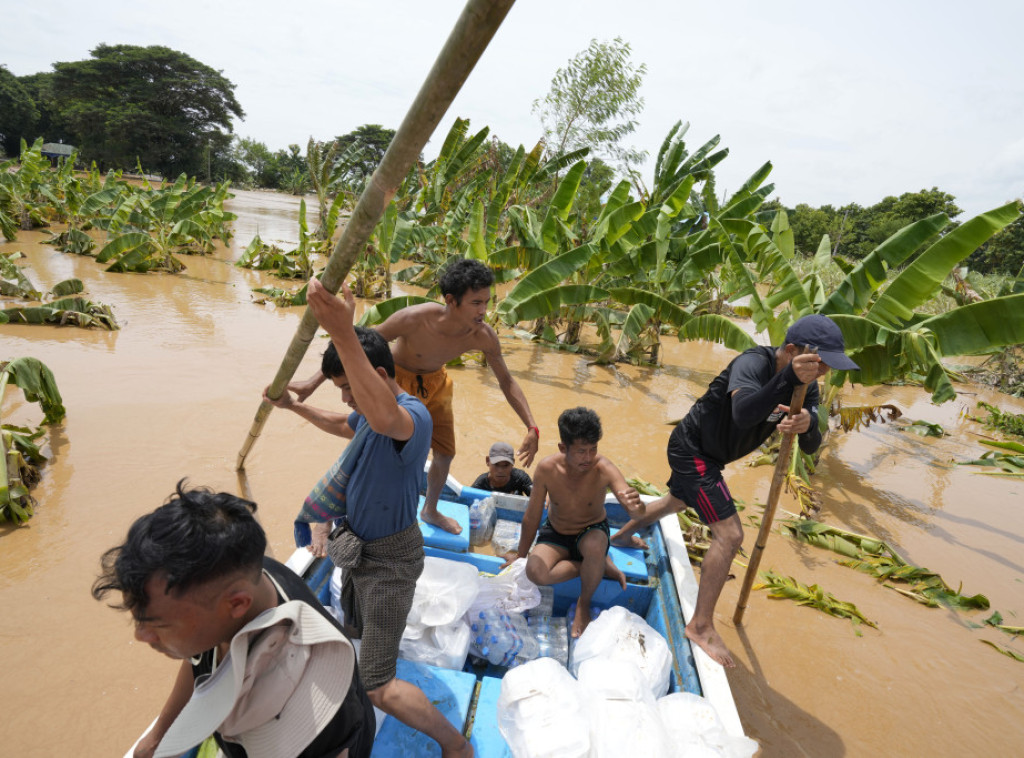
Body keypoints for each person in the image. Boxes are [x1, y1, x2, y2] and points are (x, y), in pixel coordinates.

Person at [267, 276, 473, 758]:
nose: (345, 398)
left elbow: (380, 420)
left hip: (390, 564)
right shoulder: (368, 411)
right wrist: (295, 407)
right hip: (355, 550)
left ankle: (456, 745)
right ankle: (369, 654)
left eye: (348, 387)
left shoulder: (411, 417)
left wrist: (342, 330)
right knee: (354, 630)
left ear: (380, 375)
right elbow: (348, 424)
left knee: (379, 685)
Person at [610, 313, 860, 668]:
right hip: (693, 449)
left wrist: (807, 425)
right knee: (729, 535)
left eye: (825, 367)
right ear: (791, 351)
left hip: (713, 457)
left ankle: (621, 536)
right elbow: (743, 413)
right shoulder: (753, 364)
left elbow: (809, 446)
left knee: (675, 502)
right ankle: (699, 625)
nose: (821, 373)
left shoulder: (809, 387)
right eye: (818, 363)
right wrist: (787, 379)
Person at [92, 482, 375, 758]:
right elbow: (197, 663)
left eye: (158, 625)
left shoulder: (313, 704)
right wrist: (157, 736)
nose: (141, 636)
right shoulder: (236, 578)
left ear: (237, 604)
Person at [290, 258, 540, 535]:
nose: (484, 311)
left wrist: (531, 426)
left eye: (486, 302)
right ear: (451, 300)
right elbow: (360, 346)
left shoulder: (482, 336)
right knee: (366, 440)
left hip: (437, 383)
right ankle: (331, 508)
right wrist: (313, 383)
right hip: (396, 380)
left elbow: (506, 380)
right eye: (476, 303)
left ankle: (430, 510)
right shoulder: (415, 319)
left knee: (445, 452)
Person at [504, 407, 645, 638]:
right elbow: (532, 515)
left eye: (593, 449)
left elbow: (636, 511)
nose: (588, 458)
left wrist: (636, 506)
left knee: (594, 546)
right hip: (557, 532)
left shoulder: (604, 468)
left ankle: (584, 602)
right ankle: (596, 566)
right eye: (581, 451)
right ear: (563, 448)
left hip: (591, 531)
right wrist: (521, 556)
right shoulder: (547, 469)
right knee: (535, 572)